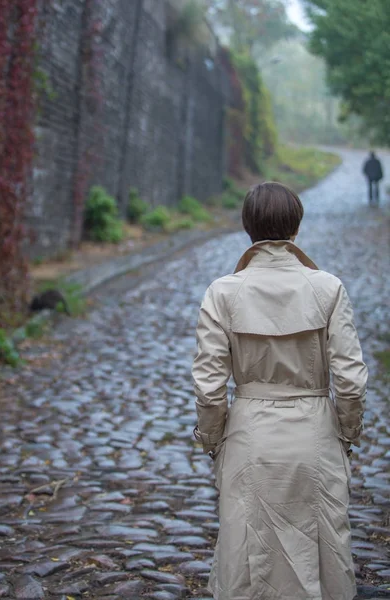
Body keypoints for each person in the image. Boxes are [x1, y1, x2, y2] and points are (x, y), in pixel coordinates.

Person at [192, 182, 368, 600]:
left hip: (249, 434)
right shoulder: (328, 289)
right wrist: (346, 434)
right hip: (315, 432)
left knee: (246, 553)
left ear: (247, 227)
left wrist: (214, 441)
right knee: (322, 550)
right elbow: (350, 380)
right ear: (296, 226)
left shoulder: (223, 292)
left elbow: (209, 387)